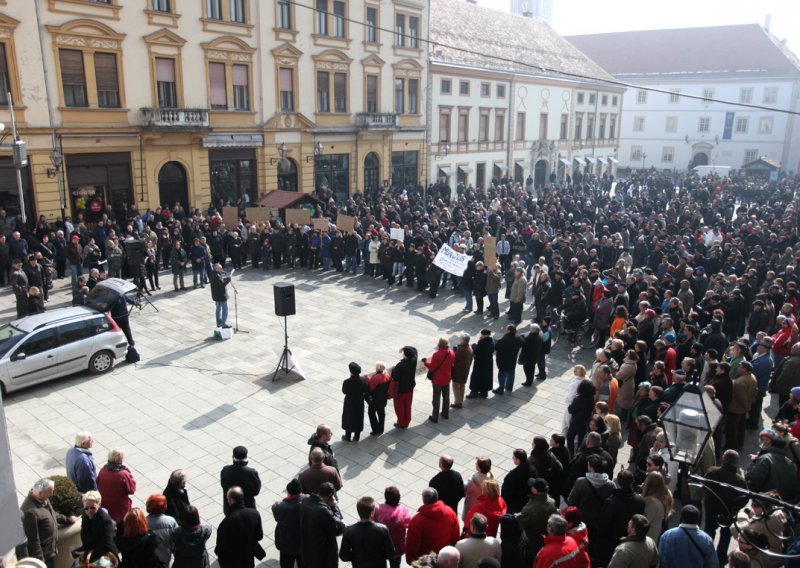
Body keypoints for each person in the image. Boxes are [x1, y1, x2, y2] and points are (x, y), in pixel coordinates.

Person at [21, 478, 77, 568]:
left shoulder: (43, 499)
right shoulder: (30, 512)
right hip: (45, 558)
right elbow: (34, 541)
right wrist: (41, 562)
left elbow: (52, 513)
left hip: (50, 552)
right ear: (40, 493)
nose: (52, 494)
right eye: (50, 492)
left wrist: (67, 519)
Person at [595, 470, 645, 566]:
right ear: (632, 482)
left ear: (618, 482)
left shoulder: (611, 502)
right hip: (629, 539)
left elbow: (603, 525)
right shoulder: (640, 501)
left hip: (610, 542)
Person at [405, 487, 461, 564]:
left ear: (424, 500)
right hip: (445, 558)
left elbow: (412, 543)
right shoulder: (450, 512)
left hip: (426, 560)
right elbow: (456, 534)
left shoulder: (417, 520)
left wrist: (410, 560)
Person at [215, 487, 264, 568]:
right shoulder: (254, 513)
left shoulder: (226, 523)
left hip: (232, 561)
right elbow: (259, 536)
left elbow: (220, 547)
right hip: (248, 558)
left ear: (230, 500)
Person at [300, 482, 346, 568]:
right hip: (323, 555)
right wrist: (335, 507)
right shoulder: (323, 511)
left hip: (308, 548)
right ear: (330, 495)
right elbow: (337, 528)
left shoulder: (305, 500)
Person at [339, 496, 395, 567]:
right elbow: (390, 553)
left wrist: (355, 557)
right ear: (372, 513)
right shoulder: (382, 529)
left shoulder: (349, 532)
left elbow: (343, 556)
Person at [746, 429, 798, 500]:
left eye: (767, 440)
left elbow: (753, 480)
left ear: (772, 443)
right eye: (762, 439)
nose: (764, 442)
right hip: (780, 500)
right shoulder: (791, 464)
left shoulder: (766, 458)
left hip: (763, 497)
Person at [516, 478, 557, 564]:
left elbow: (519, 519)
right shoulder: (551, 501)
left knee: (529, 558)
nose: (531, 487)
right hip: (543, 534)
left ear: (536, 491)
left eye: (533, 486)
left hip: (532, 537)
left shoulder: (531, 508)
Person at [373, 486, 412, 568]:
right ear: (398, 498)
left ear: (385, 497)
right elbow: (409, 523)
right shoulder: (403, 511)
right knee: (395, 565)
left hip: (381, 547)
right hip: (397, 547)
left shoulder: (378, 509)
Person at [73, 491, 117, 562]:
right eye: (86, 508)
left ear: (99, 504)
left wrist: (86, 554)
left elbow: (107, 545)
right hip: (91, 557)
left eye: (92, 508)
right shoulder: (85, 515)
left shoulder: (105, 521)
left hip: (105, 559)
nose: (89, 511)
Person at [96, 448, 137, 523]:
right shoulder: (123, 474)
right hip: (120, 508)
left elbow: (97, 484)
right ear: (120, 459)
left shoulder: (102, 470)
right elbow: (131, 490)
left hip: (105, 505)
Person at [220, 445, 261, 514]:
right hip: (248, 507)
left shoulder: (226, 470)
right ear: (246, 457)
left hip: (230, 507)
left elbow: (223, 485)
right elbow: (256, 491)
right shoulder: (251, 473)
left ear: (233, 457)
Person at [423, 337, 455, 423]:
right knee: (446, 396)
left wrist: (426, 362)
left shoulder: (436, 354)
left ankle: (435, 416)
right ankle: (445, 413)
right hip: (447, 378)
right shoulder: (451, 353)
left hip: (437, 379)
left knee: (436, 398)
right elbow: (452, 363)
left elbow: (432, 367)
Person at [145, 494, 179, 568]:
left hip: (149, 561)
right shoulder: (170, 521)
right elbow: (176, 542)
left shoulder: (143, 522)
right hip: (165, 560)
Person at [391, 346, 418, 428]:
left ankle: (402, 422)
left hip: (401, 390)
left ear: (405, 355)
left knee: (400, 407)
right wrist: (404, 348)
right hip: (410, 387)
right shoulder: (414, 361)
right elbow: (414, 350)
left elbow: (395, 377)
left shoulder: (400, 366)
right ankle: (407, 420)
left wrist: (393, 370)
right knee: (408, 405)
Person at [493, 325, 524, 394]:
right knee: (511, 373)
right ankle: (509, 387)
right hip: (512, 359)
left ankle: (500, 389)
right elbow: (523, 343)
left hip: (503, 361)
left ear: (509, 330)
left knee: (502, 374)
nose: (505, 330)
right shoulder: (518, 338)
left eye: (506, 329)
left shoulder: (504, 340)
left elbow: (496, 347)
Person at [342, 362, 368, 441]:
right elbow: (366, 389)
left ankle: (348, 436)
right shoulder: (363, 380)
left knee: (348, 417)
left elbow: (344, 391)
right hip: (359, 402)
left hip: (349, 402)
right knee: (358, 417)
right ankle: (357, 436)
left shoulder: (347, 382)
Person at [501, 449, 532, 515]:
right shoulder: (531, 468)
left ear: (518, 460)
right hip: (527, 500)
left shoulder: (512, 475)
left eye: (514, 457)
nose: (512, 458)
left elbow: (505, 492)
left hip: (514, 503)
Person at [463, 456, 494, 522]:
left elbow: (466, 488)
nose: (475, 464)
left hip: (472, 504)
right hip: (484, 505)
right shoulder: (490, 478)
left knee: (470, 520)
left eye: (476, 464)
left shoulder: (472, 480)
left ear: (479, 468)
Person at [467, 329, 495, 398]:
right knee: (486, 377)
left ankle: (474, 392)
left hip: (480, 363)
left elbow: (476, 351)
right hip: (488, 363)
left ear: (484, 335)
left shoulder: (481, 343)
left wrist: (474, 345)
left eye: (482, 334)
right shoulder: (492, 342)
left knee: (476, 377)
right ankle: (484, 392)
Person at [367, 362, 392, 435]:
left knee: (371, 414)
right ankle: (381, 429)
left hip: (375, 400)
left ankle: (375, 430)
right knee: (381, 414)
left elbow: (371, 388)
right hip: (383, 399)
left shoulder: (376, 377)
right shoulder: (387, 375)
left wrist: (368, 379)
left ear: (377, 368)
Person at [451, 334, 474, 408]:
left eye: (460, 338)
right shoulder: (469, 347)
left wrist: (454, 351)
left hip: (459, 371)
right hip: (465, 370)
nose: (459, 339)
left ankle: (458, 403)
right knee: (462, 385)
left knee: (455, 386)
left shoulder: (461, 349)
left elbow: (454, 359)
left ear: (463, 340)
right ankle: (460, 401)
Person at [209, 263, 231, 328]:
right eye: (220, 268)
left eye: (221, 268)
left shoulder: (213, 274)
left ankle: (219, 323)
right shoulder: (216, 276)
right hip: (221, 296)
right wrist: (228, 279)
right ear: (216, 269)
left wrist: (224, 277)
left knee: (218, 310)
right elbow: (222, 285)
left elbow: (219, 282)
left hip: (216, 296)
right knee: (225, 310)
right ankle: (224, 324)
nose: (221, 269)